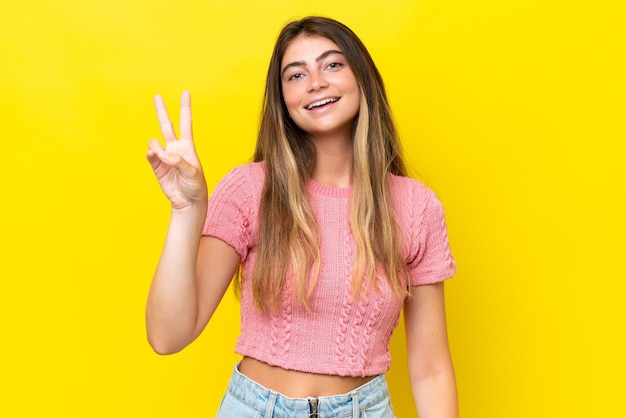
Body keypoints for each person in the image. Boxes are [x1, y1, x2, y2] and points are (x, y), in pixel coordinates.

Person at [145, 16, 457, 418]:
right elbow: (168, 336)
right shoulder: (249, 190)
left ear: (362, 78)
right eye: (296, 75)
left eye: (332, 64)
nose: (315, 82)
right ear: (283, 100)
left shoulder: (416, 207)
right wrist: (186, 212)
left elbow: (431, 370)